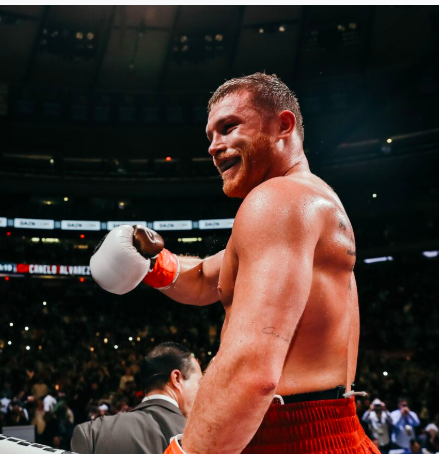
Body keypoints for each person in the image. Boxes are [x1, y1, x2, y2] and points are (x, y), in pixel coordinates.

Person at [90, 73, 379, 454]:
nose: (214, 146)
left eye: (228, 127)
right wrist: (153, 262)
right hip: (324, 427)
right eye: (210, 136)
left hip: (289, 437)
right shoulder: (305, 202)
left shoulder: (278, 201)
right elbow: (208, 279)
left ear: (283, 125)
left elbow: (250, 370)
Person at [71, 342, 203, 454]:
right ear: (176, 379)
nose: (202, 391)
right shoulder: (203, 437)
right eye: (200, 383)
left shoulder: (92, 432)